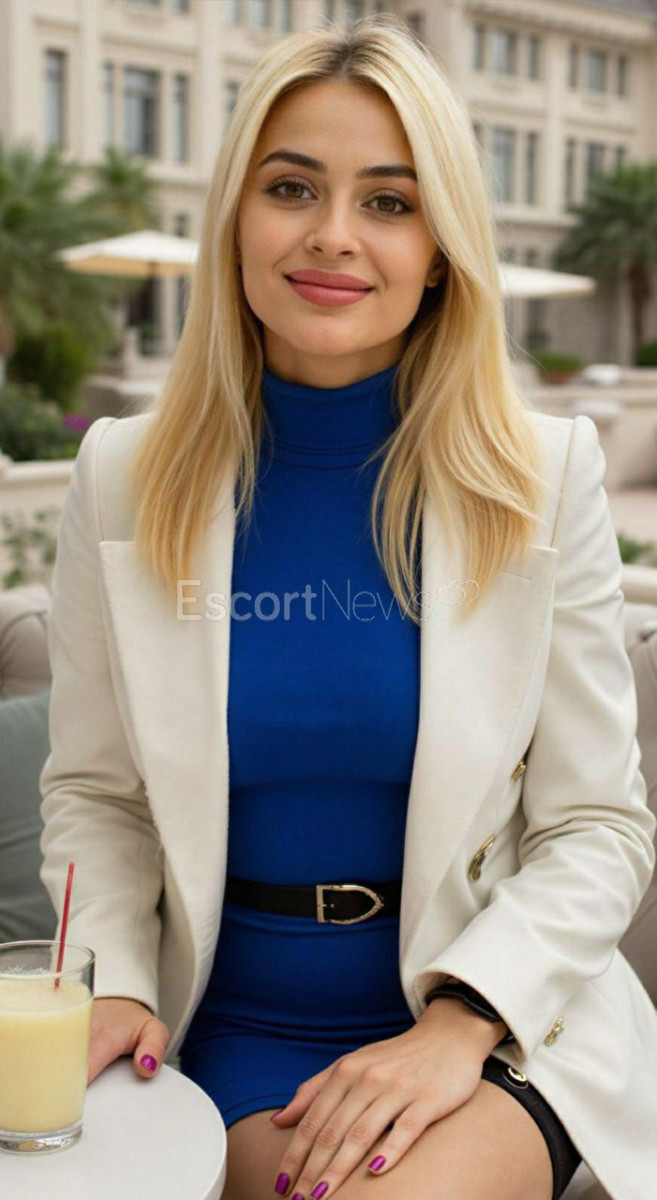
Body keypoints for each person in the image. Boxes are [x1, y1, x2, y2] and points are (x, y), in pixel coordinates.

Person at [39, 14, 657, 1200]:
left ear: (442, 248)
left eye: (389, 200)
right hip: (216, 1023)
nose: (333, 233)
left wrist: (460, 1022)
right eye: (291, 188)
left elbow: (597, 826)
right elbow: (97, 796)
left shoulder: (543, 475)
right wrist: (109, 980)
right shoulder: (121, 474)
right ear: (235, 220)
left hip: (493, 1028)